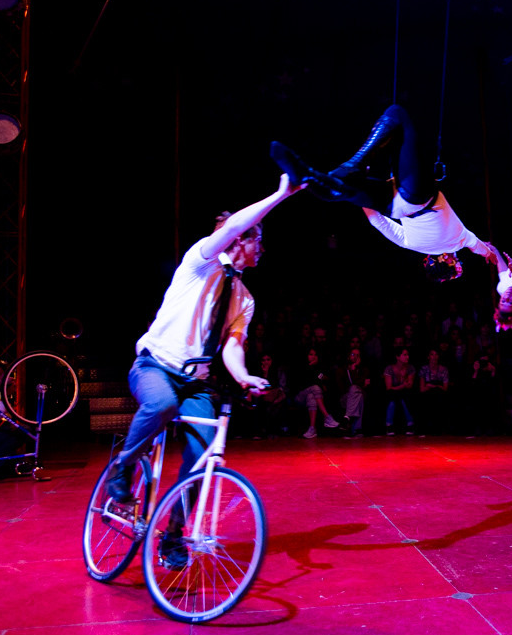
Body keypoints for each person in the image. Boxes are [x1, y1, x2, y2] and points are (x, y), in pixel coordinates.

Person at [105, 174, 306, 566]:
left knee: (203, 456)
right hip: (155, 366)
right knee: (161, 404)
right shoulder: (201, 261)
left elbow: (232, 345)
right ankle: (122, 467)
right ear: (241, 240)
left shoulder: (244, 299)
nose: (263, 249)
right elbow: (230, 227)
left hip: (195, 384)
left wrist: (243, 376)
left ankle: (173, 535)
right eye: (258, 240)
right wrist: (281, 194)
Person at [269, 104, 496, 281]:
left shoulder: (460, 242)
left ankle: (353, 165)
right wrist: (362, 195)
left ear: (445, 260)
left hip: (417, 196)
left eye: (457, 263)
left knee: (397, 113)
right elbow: (378, 222)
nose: (458, 259)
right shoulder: (410, 244)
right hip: (393, 206)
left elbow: (484, 249)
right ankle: (309, 177)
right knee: (340, 189)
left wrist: (498, 260)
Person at [292, 348, 342, 438]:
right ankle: (327, 417)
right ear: (307, 356)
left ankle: (312, 429)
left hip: (311, 395)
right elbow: (305, 383)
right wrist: (311, 367)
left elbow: (322, 380)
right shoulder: (301, 366)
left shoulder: (320, 368)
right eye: (311, 354)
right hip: (299, 397)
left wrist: (316, 373)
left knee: (311, 397)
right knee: (315, 388)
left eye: (315, 355)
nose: (313, 357)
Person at [335, 346, 371, 437]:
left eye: (357, 355)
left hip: (361, 394)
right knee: (357, 394)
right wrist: (359, 381)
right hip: (345, 398)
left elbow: (366, 386)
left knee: (356, 391)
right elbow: (342, 389)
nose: (355, 357)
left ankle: (347, 418)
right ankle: (357, 429)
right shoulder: (341, 370)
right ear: (348, 357)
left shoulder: (364, 370)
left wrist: (354, 371)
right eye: (352, 354)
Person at [417, 348, 450, 434]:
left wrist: (435, 386)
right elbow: (422, 389)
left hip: (440, 394)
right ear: (428, 357)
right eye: (432, 354)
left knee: (438, 396)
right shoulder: (424, 369)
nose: (434, 357)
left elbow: (445, 388)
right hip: (427, 395)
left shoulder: (443, 369)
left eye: (436, 354)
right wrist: (429, 387)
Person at [383, 347, 416, 435]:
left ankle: (410, 424)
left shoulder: (410, 368)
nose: (407, 357)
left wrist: (403, 384)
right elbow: (389, 388)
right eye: (404, 355)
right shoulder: (389, 369)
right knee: (393, 397)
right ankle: (389, 425)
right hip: (392, 393)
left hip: (405, 392)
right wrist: (402, 385)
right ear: (397, 357)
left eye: (407, 355)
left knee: (404, 396)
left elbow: (409, 385)